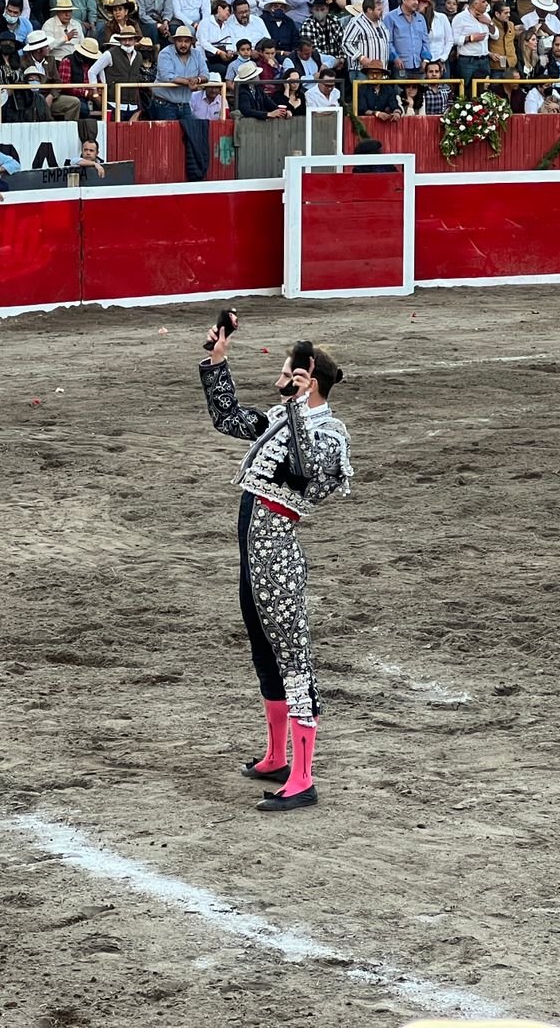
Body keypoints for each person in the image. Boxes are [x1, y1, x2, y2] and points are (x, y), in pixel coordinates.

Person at [199, 317, 353, 813]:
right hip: (253, 551)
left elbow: (308, 469)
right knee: (264, 651)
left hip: (278, 553)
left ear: (307, 379)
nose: (277, 382)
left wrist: (294, 407)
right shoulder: (282, 418)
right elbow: (228, 420)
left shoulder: (330, 432)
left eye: (287, 374)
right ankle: (275, 756)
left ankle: (303, 777)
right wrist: (219, 360)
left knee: (292, 657)